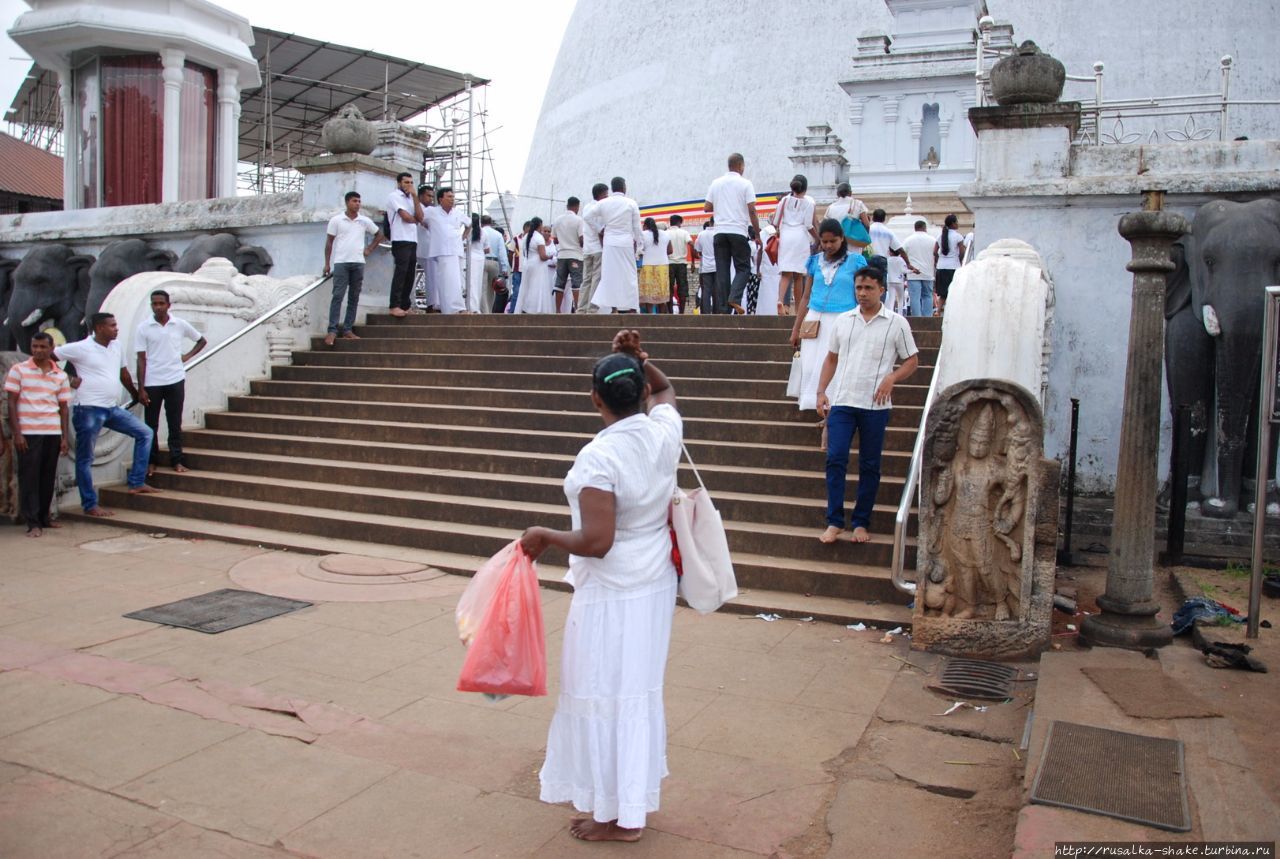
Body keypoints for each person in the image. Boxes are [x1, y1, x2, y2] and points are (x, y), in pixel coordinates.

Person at [520, 328, 681, 844]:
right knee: (634, 692)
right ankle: (625, 807)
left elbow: (597, 541)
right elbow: (668, 391)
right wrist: (639, 361)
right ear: (640, 394)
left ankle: (617, 816)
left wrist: (545, 535)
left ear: (595, 399)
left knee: (605, 694)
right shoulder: (661, 432)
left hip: (613, 592)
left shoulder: (599, 457)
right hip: (653, 581)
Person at [815, 265, 918, 544]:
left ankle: (861, 522)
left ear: (881, 289)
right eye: (859, 287)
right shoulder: (844, 320)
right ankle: (834, 521)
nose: (862, 293)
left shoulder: (896, 323)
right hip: (844, 401)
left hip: (876, 405)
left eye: (869, 288)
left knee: (870, 464)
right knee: (835, 458)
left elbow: (912, 360)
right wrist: (821, 391)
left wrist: (892, 378)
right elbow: (831, 358)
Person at [54, 313, 156, 516]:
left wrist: (137, 395)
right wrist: (68, 377)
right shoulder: (80, 347)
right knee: (85, 458)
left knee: (145, 433)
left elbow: (123, 373)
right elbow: (48, 357)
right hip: (88, 409)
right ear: (99, 328)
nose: (116, 328)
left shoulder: (116, 346)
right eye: (112, 325)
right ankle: (90, 504)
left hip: (112, 408)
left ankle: (136, 482)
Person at [788, 219, 868, 412]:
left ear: (842, 239)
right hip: (815, 319)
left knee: (837, 367)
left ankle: (832, 414)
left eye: (833, 241)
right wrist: (795, 329)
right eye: (824, 242)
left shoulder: (855, 261)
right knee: (810, 367)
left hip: (844, 318)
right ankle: (819, 406)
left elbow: (862, 293)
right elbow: (806, 296)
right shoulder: (814, 262)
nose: (828, 246)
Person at [5, 331, 70, 536]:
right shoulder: (19, 370)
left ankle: (44, 518)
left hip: (52, 431)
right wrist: (17, 434)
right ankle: (32, 523)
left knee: (47, 476)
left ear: (51, 349)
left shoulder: (60, 375)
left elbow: (64, 408)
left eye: (43, 347)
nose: (38, 351)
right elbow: (11, 403)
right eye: (35, 347)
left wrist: (64, 438)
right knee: (29, 477)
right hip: (29, 432)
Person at [136, 290, 206, 476]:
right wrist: (141, 388)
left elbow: (201, 340)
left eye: (161, 303)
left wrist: (187, 356)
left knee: (174, 422)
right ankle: (151, 461)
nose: (158, 307)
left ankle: (177, 460)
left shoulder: (179, 324)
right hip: (153, 381)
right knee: (151, 424)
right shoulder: (144, 327)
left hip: (175, 379)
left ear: (168, 305)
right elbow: (141, 359)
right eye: (154, 304)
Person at [703, 153, 760, 313]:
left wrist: (722, 206)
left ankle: (724, 309)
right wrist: (757, 234)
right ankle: (734, 298)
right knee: (744, 268)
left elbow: (707, 207)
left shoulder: (716, 183)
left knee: (722, 271)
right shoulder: (746, 184)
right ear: (741, 166)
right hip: (738, 231)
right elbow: (752, 211)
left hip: (719, 232)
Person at [323, 191, 382, 344]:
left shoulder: (364, 221)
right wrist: (327, 263)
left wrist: (369, 249)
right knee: (337, 296)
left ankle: (348, 329)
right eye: (354, 201)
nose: (357, 204)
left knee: (354, 297)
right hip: (341, 262)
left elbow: (379, 234)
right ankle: (332, 330)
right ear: (347, 202)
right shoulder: (337, 220)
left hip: (358, 262)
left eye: (359, 201)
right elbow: (329, 242)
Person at [586, 176, 643, 313]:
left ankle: (614, 308)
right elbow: (637, 228)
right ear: (624, 187)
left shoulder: (604, 203)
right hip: (626, 243)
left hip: (610, 243)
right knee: (629, 275)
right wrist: (640, 246)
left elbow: (587, 216)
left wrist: (600, 228)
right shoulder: (631, 203)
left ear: (612, 188)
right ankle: (631, 307)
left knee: (610, 275)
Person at [771, 174, 819, 318]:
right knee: (799, 275)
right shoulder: (809, 203)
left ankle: (780, 300)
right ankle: (798, 309)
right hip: (801, 238)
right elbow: (809, 225)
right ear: (805, 188)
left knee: (785, 273)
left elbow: (775, 221)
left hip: (786, 237)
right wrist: (818, 238)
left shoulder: (784, 200)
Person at [421, 186, 469, 315]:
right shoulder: (431, 211)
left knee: (456, 279)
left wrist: (463, 238)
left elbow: (469, 225)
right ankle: (453, 308)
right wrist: (431, 228)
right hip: (441, 250)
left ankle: (454, 307)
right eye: (449, 197)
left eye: (453, 197)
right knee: (446, 279)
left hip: (456, 249)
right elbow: (421, 219)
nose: (452, 199)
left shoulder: (458, 213)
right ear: (441, 199)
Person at [386, 172, 423, 318]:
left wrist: (415, 197)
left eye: (411, 182)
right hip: (400, 238)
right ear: (399, 183)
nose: (409, 185)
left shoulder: (411, 199)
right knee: (401, 272)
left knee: (410, 273)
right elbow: (406, 217)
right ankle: (394, 304)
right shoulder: (394, 196)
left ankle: (405, 305)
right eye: (406, 182)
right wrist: (415, 219)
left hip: (412, 239)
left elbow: (420, 216)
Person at [577, 183, 609, 313]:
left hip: (587, 249)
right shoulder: (599, 208)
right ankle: (592, 309)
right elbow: (601, 227)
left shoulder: (587, 207)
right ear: (601, 195)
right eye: (606, 195)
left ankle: (581, 308)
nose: (607, 197)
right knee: (596, 279)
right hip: (597, 248)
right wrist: (601, 229)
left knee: (586, 280)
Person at [515, 216, 555, 313]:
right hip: (538, 265)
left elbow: (524, 253)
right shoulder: (539, 238)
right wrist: (550, 256)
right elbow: (542, 256)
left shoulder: (525, 237)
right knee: (537, 287)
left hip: (528, 263)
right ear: (539, 225)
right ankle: (535, 308)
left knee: (527, 286)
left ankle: (525, 306)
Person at [553, 197, 586, 309]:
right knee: (576, 283)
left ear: (567, 206)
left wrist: (564, 242)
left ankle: (558, 311)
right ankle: (578, 309)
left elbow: (555, 240)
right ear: (577, 207)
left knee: (560, 283)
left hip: (562, 256)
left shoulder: (557, 220)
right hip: (575, 256)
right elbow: (582, 241)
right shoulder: (578, 220)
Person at [902, 220, 938, 317]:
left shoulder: (908, 240)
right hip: (928, 272)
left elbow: (902, 253)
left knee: (915, 297)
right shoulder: (932, 240)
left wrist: (908, 265)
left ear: (915, 228)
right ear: (925, 228)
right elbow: (936, 254)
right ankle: (927, 317)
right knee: (927, 296)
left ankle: (917, 319)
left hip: (913, 273)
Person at [638, 217, 672, 314]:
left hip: (648, 266)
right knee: (662, 296)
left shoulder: (643, 234)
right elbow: (670, 250)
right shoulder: (666, 234)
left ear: (645, 226)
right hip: (663, 267)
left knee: (649, 296)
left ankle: (650, 318)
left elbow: (639, 251)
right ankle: (661, 320)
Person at [823, 182, 871, 250]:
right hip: (854, 242)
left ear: (837, 194)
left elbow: (824, 226)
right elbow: (867, 224)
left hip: (837, 243)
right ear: (850, 193)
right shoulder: (858, 204)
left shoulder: (831, 207)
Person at [935, 214, 966, 313]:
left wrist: (937, 261)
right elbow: (962, 252)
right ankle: (952, 312)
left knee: (943, 294)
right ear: (953, 224)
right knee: (953, 291)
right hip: (953, 267)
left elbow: (934, 252)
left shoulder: (940, 236)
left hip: (941, 267)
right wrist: (961, 261)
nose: (958, 224)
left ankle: (937, 311)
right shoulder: (958, 236)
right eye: (956, 222)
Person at [415, 185, 439, 312]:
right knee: (430, 277)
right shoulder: (420, 209)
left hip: (427, 246)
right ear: (420, 196)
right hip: (419, 245)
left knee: (432, 277)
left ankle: (432, 304)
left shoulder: (429, 210)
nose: (430, 199)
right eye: (428, 196)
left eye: (432, 196)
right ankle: (430, 304)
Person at [481, 215, 510, 313]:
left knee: (483, 289)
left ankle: (485, 312)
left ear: (481, 223)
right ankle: (490, 311)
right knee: (492, 289)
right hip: (494, 262)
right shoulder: (498, 234)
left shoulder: (480, 232)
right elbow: (502, 253)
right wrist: (505, 268)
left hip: (482, 261)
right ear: (491, 223)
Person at [665, 214, 691, 313]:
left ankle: (670, 312)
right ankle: (681, 312)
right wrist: (693, 261)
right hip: (681, 264)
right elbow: (691, 243)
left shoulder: (665, 233)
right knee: (682, 288)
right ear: (679, 222)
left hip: (669, 263)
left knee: (669, 289)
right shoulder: (684, 232)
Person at [692, 218, 717, 314]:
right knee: (716, 291)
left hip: (705, 267)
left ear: (710, 222)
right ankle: (716, 312)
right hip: (717, 267)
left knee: (706, 291)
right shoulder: (718, 233)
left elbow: (698, 250)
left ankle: (705, 313)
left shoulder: (701, 234)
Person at [465, 213, 489, 313]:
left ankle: (470, 306)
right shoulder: (484, 233)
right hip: (480, 258)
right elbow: (487, 249)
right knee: (478, 283)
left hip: (469, 257)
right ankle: (475, 307)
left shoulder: (467, 231)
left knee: (470, 283)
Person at [757, 224, 782, 315]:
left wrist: (758, 269)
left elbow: (760, 252)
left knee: (765, 294)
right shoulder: (780, 234)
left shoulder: (762, 233)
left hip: (766, 269)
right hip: (777, 268)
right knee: (776, 293)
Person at [506, 221, 531, 313]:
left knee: (527, 292)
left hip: (528, 270)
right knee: (516, 292)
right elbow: (510, 253)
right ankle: (513, 311)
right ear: (524, 229)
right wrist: (512, 265)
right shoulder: (516, 239)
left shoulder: (531, 240)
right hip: (518, 269)